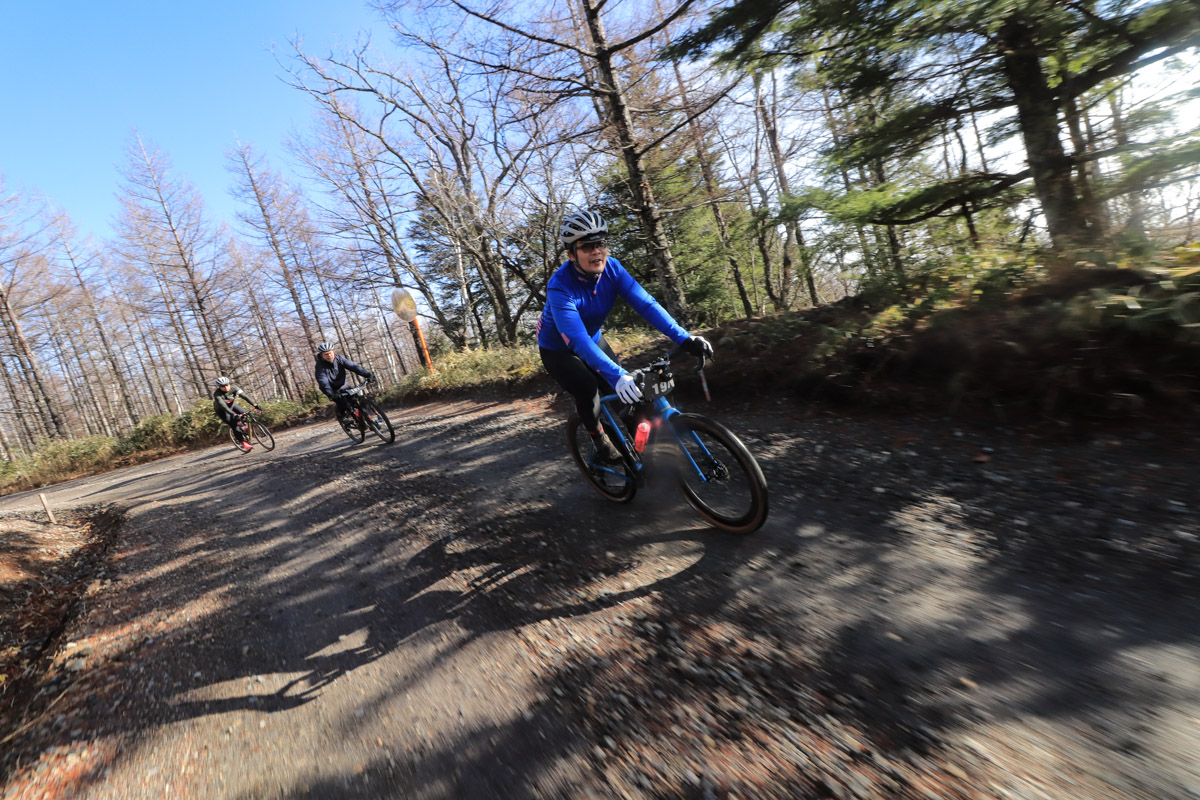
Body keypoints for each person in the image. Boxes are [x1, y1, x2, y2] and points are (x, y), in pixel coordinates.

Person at [537, 210, 713, 463]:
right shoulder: (559, 286)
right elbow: (577, 338)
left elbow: (647, 305)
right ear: (571, 254)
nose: (596, 251)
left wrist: (685, 338)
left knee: (634, 401)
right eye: (587, 247)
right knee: (588, 388)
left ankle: (644, 455)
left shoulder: (613, 269)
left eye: (600, 244)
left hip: (592, 338)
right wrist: (618, 376)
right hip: (559, 350)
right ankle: (600, 442)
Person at [314, 342, 374, 423]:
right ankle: (343, 417)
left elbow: (353, 366)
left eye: (330, 353)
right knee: (342, 402)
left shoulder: (339, 358)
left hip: (343, 385)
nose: (329, 356)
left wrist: (368, 375)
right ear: (322, 355)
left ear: (333, 352)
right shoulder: (320, 366)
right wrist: (331, 393)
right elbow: (323, 380)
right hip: (331, 389)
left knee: (355, 398)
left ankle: (362, 416)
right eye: (326, 354)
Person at [212, 377, 262, 452]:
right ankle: (243, 442)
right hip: (223, 411)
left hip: (232, 405)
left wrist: (255, 404)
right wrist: (234, 414)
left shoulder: (234, 387)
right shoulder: (217, 395)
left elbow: (245, 396)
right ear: (219, 387)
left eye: (227, 385)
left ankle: (245, 427)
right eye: (223, 386)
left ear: (229, 384)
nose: (226, 387)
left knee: (245, 414)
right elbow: (224, 407)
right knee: (234, 425)